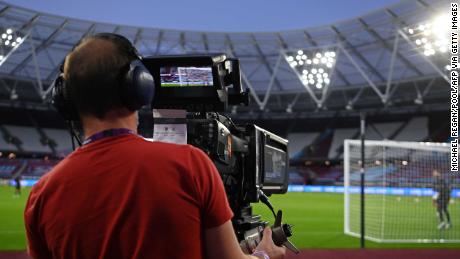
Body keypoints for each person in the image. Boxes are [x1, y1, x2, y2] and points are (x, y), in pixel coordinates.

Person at [24, 33, 286, 259]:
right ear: (139, 86)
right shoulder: (191, 165)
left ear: (66, 99)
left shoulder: (41, 196)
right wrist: (264, 253)